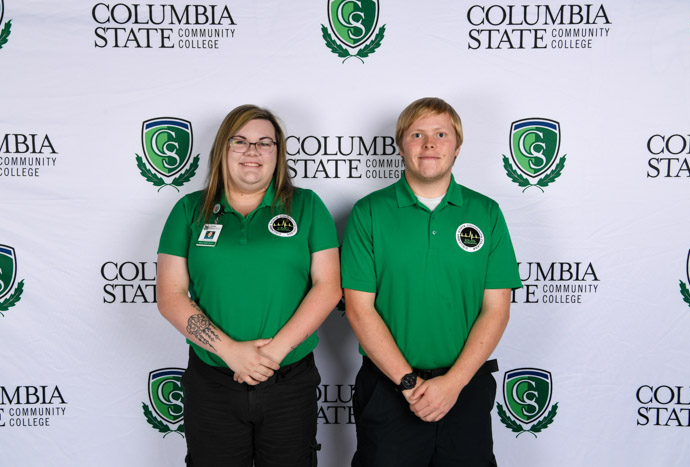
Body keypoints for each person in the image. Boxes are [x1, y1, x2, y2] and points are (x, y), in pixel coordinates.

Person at [156, 104, 341, 466]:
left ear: (278, 153)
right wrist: (231, 352)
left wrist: (271, 356)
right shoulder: (189, 210)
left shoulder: (307, 206)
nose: (252, 152)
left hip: (289, 378)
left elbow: (328, 286)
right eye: (239, 141)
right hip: (213, 381)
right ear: (222, 150)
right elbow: (170, 295)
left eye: (264, 143)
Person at [341, 97, 522, 466]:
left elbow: (496, 309)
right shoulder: (369, 213)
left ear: (457, 146)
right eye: (417, 134)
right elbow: (359, 310)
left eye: (441, 134)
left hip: (465, 388)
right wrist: (409, 385)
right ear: (400, 144)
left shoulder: (486, 212)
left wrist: (452, 384)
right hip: (388, 389)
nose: (429, 144)